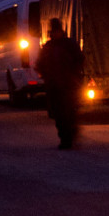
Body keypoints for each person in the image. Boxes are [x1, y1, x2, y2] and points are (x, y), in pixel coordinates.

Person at [37, 17, 84, 149]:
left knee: (67, 112)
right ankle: (66, 137)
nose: (54, 33)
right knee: (60, 114)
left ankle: (68, 138)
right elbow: (40, 64)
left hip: (67, 85)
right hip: (57, 86)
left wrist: (73, 75)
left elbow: (80, 59)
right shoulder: (51, 46)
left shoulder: (62, 45)